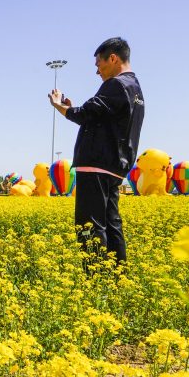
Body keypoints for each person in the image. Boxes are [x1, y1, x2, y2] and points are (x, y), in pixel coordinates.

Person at [48, 37, 144, 263]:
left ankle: (95, 277)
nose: (97, 72)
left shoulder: (116, 84)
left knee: (89, 225)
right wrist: (71, 108)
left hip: (96, 163)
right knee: (112, 224)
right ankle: (117, 276)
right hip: (115, 166)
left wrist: (59, 106)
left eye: (98, 65)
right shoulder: (135, 88)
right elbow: (101, 116)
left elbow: (85, 115)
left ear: (113, 58)